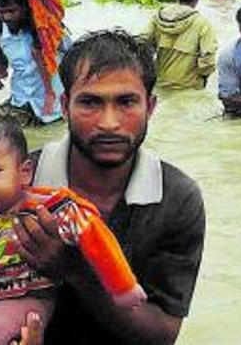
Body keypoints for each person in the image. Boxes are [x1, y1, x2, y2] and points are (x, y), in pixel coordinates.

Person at [16, 29, 206, 344]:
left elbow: (161, 335)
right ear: (64, 106)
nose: (108, 122)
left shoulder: (176, 197)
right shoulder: (20, 183)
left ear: (151, 106)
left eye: (126, 102)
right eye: (90, 102)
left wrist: (75, 269)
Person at [0, 118, 145, 345]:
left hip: (22, 297)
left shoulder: (48, 208)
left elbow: (94, 235)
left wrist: (123, 287)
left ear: (24, 172)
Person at [0, 0, 70, 126]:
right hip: (21, 100)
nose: (6, 17)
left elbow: (72, 59)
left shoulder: (47, 29)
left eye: (12, 11)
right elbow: (2, 69)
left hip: (53, 107)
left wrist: (50, 94)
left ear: (25, 8)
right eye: (2, 12)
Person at [143, 0, 218, 89]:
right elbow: (208, 62)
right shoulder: (203, 24)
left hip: (160, 88)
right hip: (190, 90)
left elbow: (142, 48)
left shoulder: (157, 18)